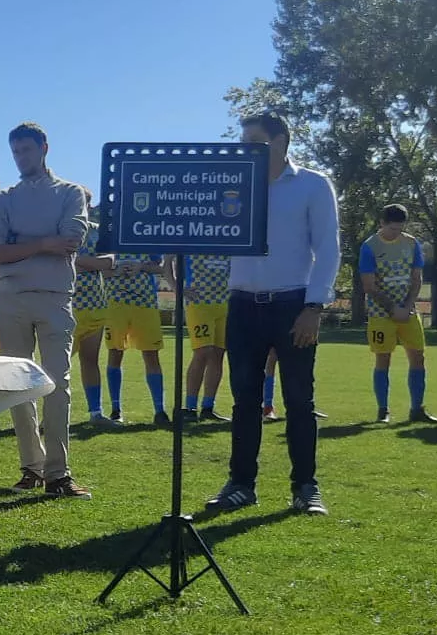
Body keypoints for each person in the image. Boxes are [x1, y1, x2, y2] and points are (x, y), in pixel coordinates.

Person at [207, 113, 338, 516]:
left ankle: (305, 487)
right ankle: (241, 484)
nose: (248, 149)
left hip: (293, 306)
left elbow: (329, 249)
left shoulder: (313, 185)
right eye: (244, 141)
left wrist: (314, 308)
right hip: (242, 305)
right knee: (244, 400)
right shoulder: (234, 186)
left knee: (299, 400)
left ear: (282, 140)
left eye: (257, 141)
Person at [0, 122, 92, 499]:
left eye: (26, 150)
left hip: (55, 296)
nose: (21, 158)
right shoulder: (3, 199)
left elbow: (73, 240)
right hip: (11, 298)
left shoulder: (70, 193)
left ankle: (58, 473)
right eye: (16, 152)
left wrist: (24, 243)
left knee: (57, 385)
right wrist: (46, 241)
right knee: (17, 385)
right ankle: (31, 466)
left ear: (44, 148)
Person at [359, 204, 437, 423]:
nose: (396, 233)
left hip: (408, 311)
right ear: (382, 223)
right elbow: (369, 286)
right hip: (381, 314)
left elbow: (416, 278)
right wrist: (393, 309)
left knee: (418, 357)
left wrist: (408, 305)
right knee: (383, 359)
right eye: (392, 229)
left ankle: (417, 409)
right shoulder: (370, 247)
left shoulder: (411, 243)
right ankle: (383, 410)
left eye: (400, 229)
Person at [103, 250, 169, 425]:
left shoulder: (147, 239)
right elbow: (100, 270)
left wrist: (141, 267)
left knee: (151, 355)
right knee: (115, 353)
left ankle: (160, 411)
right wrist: (117, 270)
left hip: (146, 303)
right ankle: (116, 410)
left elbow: (161, 268)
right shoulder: (110, 239)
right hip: (116, 303)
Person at [74, 193, 117, 429]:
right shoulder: (64, 229)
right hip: (67, 306)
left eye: (85, 202)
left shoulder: (99, 230)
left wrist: (79, 261)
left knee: (90, 360)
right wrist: (92, 263)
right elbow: (61, 261)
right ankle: (52, 413)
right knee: (55, 366)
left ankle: (96, 413)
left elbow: (108, 263)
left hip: (95, 306)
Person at [180, 253, 233, 422]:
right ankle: (190, 407)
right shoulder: (193, 234)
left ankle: (208, 407)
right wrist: (177, 288)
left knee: (218, 354)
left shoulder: (228, 238)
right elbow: (168, 262)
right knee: (203, 352)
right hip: (199, 303)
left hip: (223, 303)